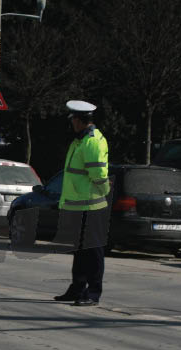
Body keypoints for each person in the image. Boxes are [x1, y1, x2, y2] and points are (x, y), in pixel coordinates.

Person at [53, 100, 110, 307]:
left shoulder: (91, 142)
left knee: (93, 251)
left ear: (79, 120)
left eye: (73, 120)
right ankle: (77, 288)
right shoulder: (80, 141)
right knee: (80, 251)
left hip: (91, 205)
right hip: (78, 204)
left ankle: (93, 293)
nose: (71, 123)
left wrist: (104, 192)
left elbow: (99, 175)